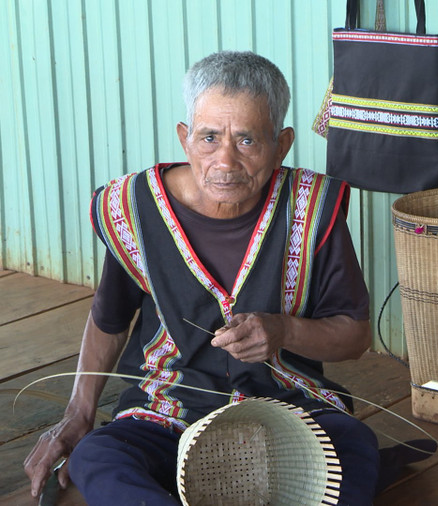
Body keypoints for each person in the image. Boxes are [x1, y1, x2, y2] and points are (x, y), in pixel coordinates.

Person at [24, 51, 381, 505]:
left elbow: (354, 337)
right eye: (209, 138)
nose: (225, 161)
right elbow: (109, 321)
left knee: (353, 448)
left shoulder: (312, 208)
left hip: (287, 408)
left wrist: (284, 331)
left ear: (282, 145)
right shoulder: (134, 209)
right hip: (169, 411)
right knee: (98, 458)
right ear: (185, 138)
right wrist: (78, 412)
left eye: (247, 140)